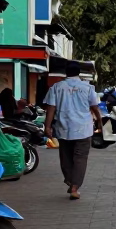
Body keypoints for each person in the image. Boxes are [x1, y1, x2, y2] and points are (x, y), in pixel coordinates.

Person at [42, 63, 102, 199]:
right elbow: (95, 107)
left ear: (65, 72)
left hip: (64, 128)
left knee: (66, 157)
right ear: (79, 72)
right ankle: (74, 186)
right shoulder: (87, 87)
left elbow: (51, 108)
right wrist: (100, 121)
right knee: (80, 158)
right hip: (83, 129)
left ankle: (70, 180)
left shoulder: (56, 88)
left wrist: (47, 126)